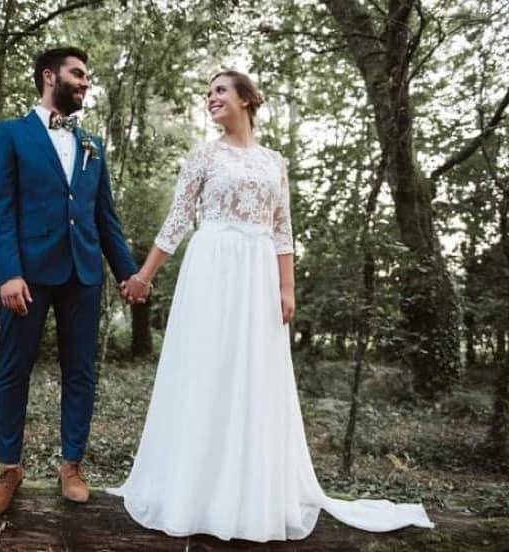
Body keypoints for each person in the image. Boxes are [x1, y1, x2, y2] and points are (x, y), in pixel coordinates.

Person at [108, 70, 435, 542]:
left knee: (253, 374)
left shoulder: (273, 163)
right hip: (211, 267)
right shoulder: (203, 155)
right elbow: (179, 217)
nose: (211, 98)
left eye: (220, 90)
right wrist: (143, 276)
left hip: (257, 274)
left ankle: (248, 492)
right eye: (209, 93)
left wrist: (287, 288)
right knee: (207, 368)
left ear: (246, 99)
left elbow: (283, 229)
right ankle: (192, 489)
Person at [0, 46, 150, 518]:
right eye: (78, 74)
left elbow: (106, 218)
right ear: (48, 76)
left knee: (81, 372)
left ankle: (71, 465)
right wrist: (8, 272)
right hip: (27, 277)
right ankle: (8, 468)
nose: (85, 81)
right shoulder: (11, 134)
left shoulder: (92, 143)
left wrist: (129, 274)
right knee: (14, 369)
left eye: (87, 75)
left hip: (83, 274)